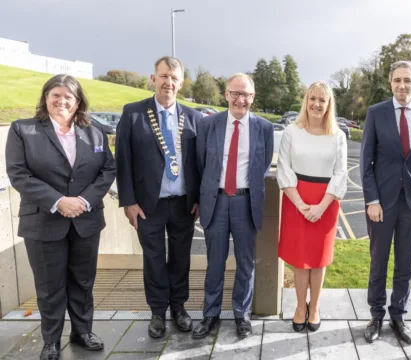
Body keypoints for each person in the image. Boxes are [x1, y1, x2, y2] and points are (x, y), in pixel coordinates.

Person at [5, 74, 116, 360]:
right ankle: (51, 340)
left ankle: (82, 332)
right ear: (45, 98)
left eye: (69, 96)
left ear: (78, 102)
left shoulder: (94, 131)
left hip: (85, 220)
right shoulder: (23, 130)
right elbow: (18, 173)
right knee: (49, 284)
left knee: (83, 281)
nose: (62, 101)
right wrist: (58, 201)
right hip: (43, 220)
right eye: (56, 95)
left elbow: (107, 170)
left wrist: (83, 200)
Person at [115, 56, 202, 338]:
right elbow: (123, 160)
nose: (169, 82)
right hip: (147, 205)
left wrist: (198, 198)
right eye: (164, 76)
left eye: (174, 78)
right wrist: (128, 201)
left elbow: (199, 162)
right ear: (154, 78)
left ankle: (178, 307)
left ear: (181, 82)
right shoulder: (133, 113)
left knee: (180, 257)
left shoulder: (194, 117)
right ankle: (157, 312)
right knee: (153, 258)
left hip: (183, 203)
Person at [359, 60, 411, 344]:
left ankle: (398, 316)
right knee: (378, 262)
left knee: (405, 264)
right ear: (391, 83)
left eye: (407, 80)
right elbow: (366, 162)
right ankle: (376, 315)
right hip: (382, 203)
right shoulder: (376, 113)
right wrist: (372, 199)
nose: (402, 85)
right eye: (397, 80)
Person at [193, 73, 274, 339]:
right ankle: (210, 314)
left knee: (245, 262)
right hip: (215, 202)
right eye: (236, 93)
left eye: (247, 95)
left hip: (245, 202)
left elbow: (261, 166)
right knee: (214, 261)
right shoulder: (209, 125)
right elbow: (200, 164)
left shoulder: (263, 127)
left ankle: (242, 314)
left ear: (253, 98)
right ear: (226, 95)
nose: (241, 99)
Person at [276, 82, 348, 332]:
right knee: (299, 259)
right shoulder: (291, 132)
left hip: (326, 202)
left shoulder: (338, 136)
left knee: (318, 260)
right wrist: (300, 204)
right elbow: (284, 169)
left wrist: (321, 206)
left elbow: (340, 174)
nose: (317, 104)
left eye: (323, 100)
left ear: (329, 106)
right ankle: (299, 307)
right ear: (306, 101)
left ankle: (314, 307)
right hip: (297, 199)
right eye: (313, 99)